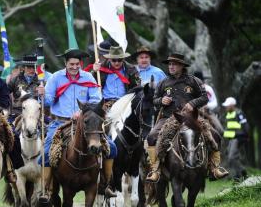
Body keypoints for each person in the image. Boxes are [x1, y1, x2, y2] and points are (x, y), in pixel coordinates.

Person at [36, 48, 118, 202]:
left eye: (77, 64)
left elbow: (95, 100)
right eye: (71, 64)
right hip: (60, 122)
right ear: (65, 63)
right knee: (46, 153)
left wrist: (83, 112)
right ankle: (46, 189)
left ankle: (107, 184)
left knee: (112, 147)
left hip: (86, 122)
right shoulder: (55, 78)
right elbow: (48, 101)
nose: (74, 67)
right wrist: (42, 95)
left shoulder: (88, 77)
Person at [146, 53, 228, 182]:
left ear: (181, 66)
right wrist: (162, 100)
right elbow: (154, 100)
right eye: (170, 64)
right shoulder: (163, 82)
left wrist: (192, 103)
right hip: (168, 118)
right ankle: (155, 170)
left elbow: (204, 97)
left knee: (215, 135)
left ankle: (214, 168)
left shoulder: (194, 80)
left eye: (174, 64)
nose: (171, 66)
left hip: (191, 118)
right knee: (151, 137)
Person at [92, 46, 140, 111]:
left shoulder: (131, 70)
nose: (117, 63)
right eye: (114, 60)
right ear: (109, 59)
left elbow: (137, 87)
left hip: (125, 103)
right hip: (105, 103)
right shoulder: (101, 68)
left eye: (119, 60)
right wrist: (94, 72)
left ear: (123, 59)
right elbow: (92, 84)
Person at [222, 97, 249, 181]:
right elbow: (229, 127)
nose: (226, 107)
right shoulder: (229, 114)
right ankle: (240, 173)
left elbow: (245, 125)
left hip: (238, 138)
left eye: (227, 105)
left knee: (231, 157)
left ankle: (240, 174)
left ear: (232, 105)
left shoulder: (239, 113)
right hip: (231, 139)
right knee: (233, 157)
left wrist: (246, 136)